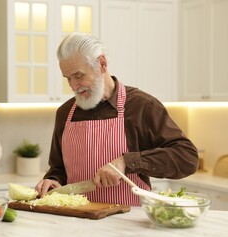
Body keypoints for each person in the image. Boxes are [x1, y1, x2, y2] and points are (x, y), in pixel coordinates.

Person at [35, 32, 199, 206]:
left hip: (127, 223)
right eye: (68, 79)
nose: (74, 86)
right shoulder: (65, 113)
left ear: (102, 64)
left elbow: (187, 158)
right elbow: (58, 169)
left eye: (78, 75)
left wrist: (126, 162)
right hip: (76, 222)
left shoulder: (141, 106)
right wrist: (52, 180)